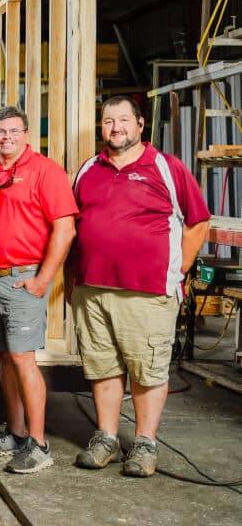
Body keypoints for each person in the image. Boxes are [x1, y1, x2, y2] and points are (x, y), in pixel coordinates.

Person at [67, 96, 210, 477]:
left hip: (146, 292)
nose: (116, 127)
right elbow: (74, 228)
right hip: (93, 289)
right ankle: (106, 438)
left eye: (123, 120)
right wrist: (71, 282)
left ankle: (145, 444)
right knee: (102, 367)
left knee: (146, 369)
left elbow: (198, 223)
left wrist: (177, 269)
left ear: (140, 124)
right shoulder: (88, 169)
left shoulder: (166, 167)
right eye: (108, 120)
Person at [0, 105, 77, 474]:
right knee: (4, 357)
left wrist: (44, 279)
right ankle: (14, 433)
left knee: (23, 359)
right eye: (0, 131)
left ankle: (38, 443)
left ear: (27, 135)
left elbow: (65, 229)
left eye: (14, 131)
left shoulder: (46, 172)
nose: (7, 137)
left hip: (23, 278)